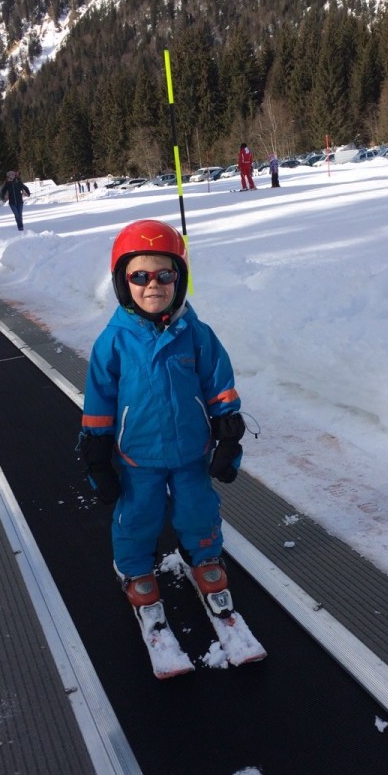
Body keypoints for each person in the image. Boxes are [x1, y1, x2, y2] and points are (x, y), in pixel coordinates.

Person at [79, 218, 245, 638]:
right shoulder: (113, 342)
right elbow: (99, 401)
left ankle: (204, 557)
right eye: (140, 276)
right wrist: (96, 454)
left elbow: (220, 387)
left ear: (179, 278)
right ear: (123, 282)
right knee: (137, 516)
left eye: (164, 275)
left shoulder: (197, 335)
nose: (153, 285)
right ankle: (134, 568)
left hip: (192, 451)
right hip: (138, 456)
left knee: (198, 510)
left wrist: (229, 437)